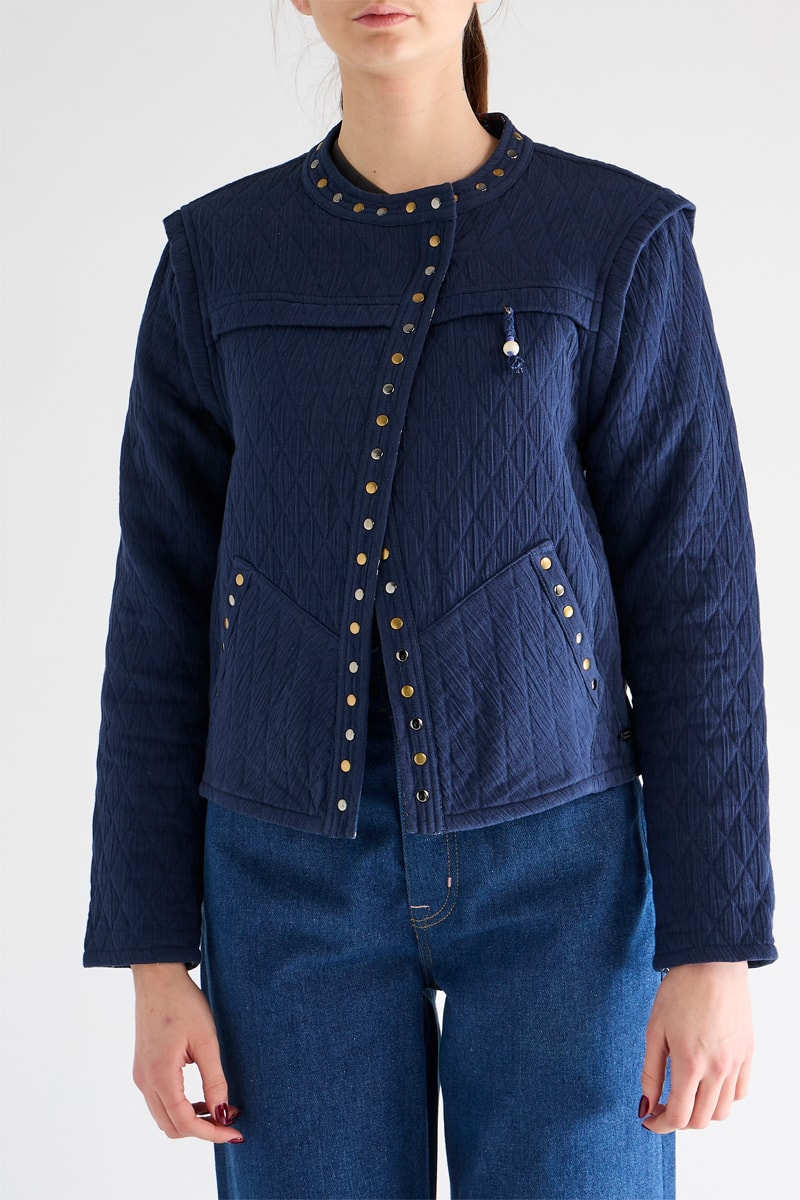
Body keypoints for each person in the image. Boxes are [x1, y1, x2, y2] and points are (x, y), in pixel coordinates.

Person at [82, 2, 778, 1197]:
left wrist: (713, 943)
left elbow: (696, 599)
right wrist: (152, 952)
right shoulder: (218, 258)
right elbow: (160, 606)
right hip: (283, 876)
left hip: (566, 873)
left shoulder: (613, 240)